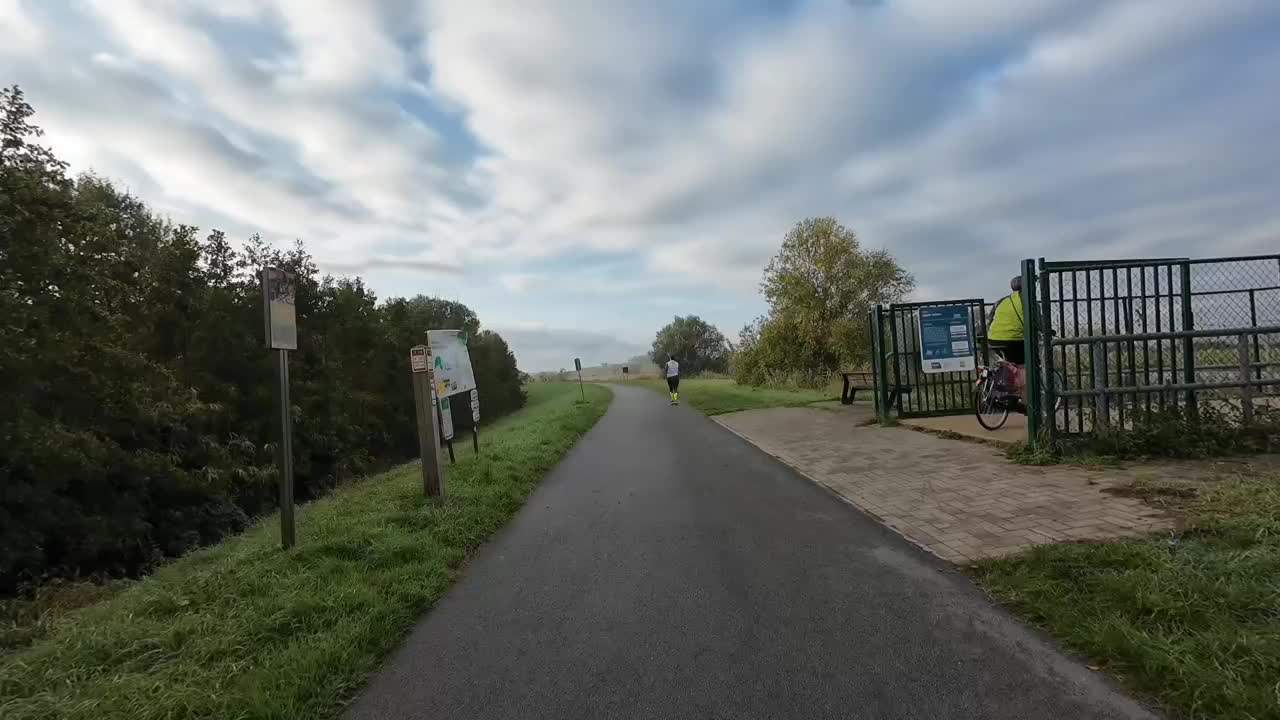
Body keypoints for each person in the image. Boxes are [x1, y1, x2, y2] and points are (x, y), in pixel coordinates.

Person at [987, 276, 1026, 399]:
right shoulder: (1028, 301)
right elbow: (1038, 322)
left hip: (993, 338)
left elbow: (990, 318)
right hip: (1013, 340)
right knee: (1024, 363)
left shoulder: (1001, 301)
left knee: (1008, 359)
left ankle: (1005, 385)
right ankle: (1024, 397)